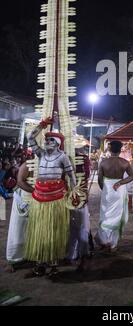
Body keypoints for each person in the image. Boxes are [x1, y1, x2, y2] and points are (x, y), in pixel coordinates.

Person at [24, 117, 77, 277]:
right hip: (39, 196)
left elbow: (71, 175)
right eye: (46, 140)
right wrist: (41, 125)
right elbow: (30, 137)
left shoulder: (63, 157)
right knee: (40, 230)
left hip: (57, 198)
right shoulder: (40, 154)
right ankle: (40, 263)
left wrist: (74, 193)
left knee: (54, 230)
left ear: (58, 143)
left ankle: (53, 264)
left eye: (50, 140)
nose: (46, 141)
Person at [96, 140, 133, 252]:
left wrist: (104, 189)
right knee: (116, 217)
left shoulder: (103, 162)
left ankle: (104, 241)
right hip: (119, 190)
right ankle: (113, 244)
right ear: (120, 150)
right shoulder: (125, 162)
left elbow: (99, 179)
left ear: (110, 149)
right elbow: (132, 176)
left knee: (105, 215)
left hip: (107, 190)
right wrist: (120, 183)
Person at [6, 162, 33, 270]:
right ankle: (16, 258)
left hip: (38, 201)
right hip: (24, 199)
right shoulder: (26, 165)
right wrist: (36, 191)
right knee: (19, 230)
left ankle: (32, 255)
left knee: (32, 230)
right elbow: (20, 181)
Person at [67, 148, 91, 271]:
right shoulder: (59, 157)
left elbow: (85, 177)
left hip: (79, 199)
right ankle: (71, 255)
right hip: (63, 199)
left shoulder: (83, 160)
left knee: (82, 228)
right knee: (69, 229)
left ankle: (82, 256)